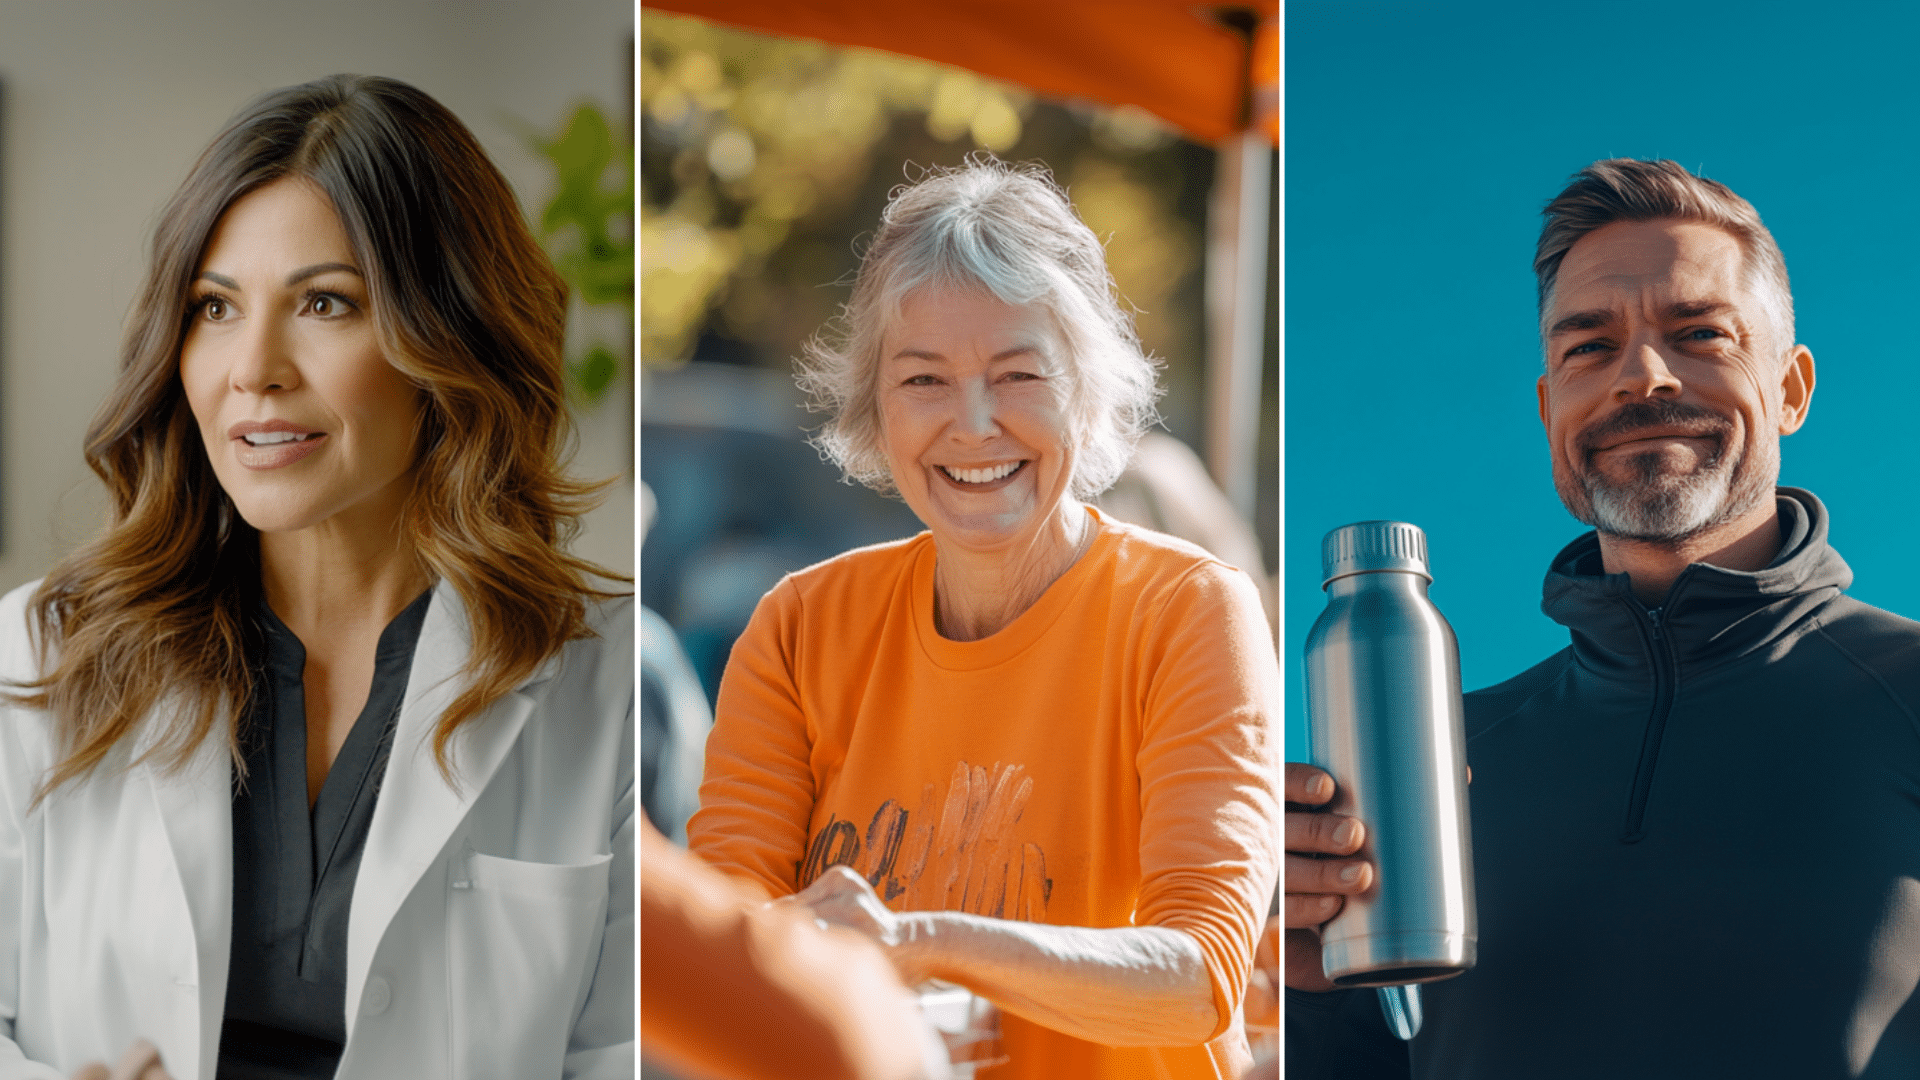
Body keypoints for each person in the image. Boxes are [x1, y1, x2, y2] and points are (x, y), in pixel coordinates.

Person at [0, 76, 631, 1079]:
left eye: (324, 303)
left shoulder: (610, 680)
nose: (253, 368)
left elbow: (626, 1055)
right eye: (214, 307)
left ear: (450, 336)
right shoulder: (34, 656)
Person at [1285, 159, 1920, 1077]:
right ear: (1552, 409)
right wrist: (1303, 996)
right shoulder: (1441, 758)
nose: (1642, 376)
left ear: (1790, 388)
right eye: (1589, 347)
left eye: (1699, 333)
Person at [686, 157, 1280, 1080]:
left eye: (1018, 374)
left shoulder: (1189, 611)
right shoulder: (799, 627)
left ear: (1087, 388)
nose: (972, 424)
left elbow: (1200, 974)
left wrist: (921, 941)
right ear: (875, 407)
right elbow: (723, 954)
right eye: (924, 380)